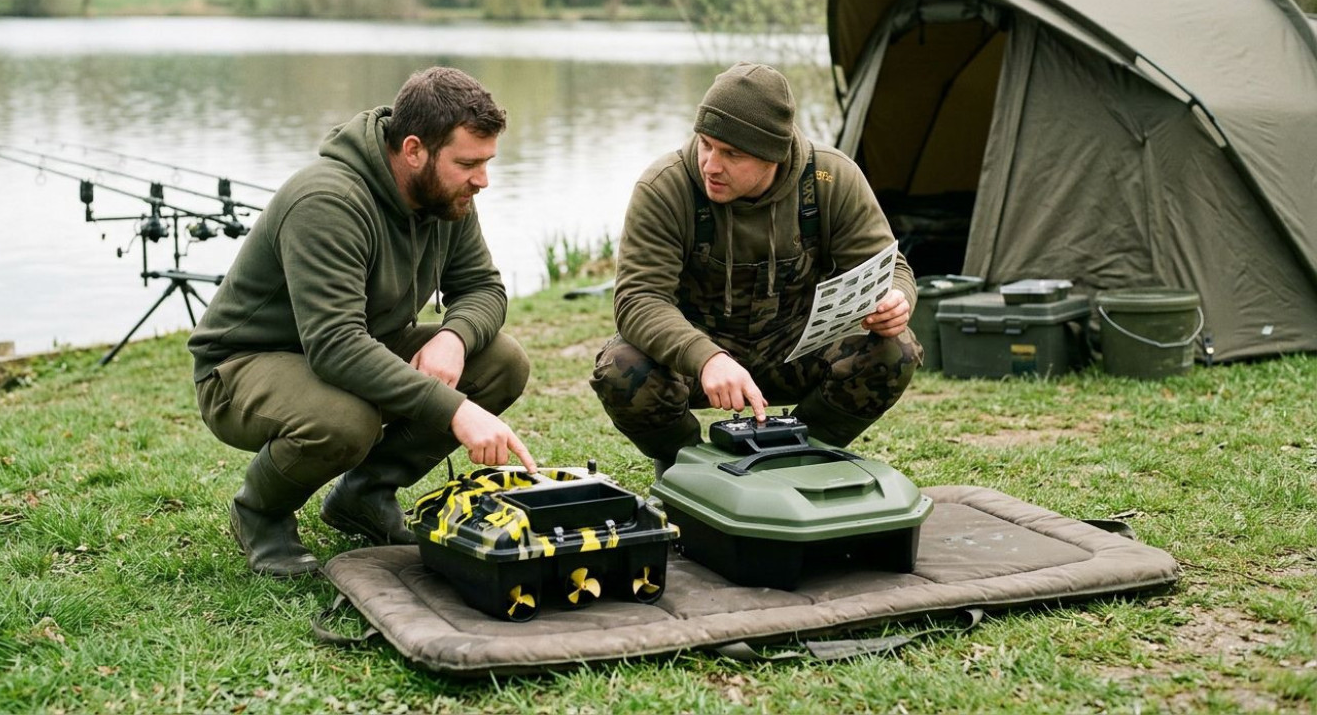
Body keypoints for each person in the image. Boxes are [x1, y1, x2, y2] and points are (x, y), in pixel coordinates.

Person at [189, 66, 535, 578]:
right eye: (468, 163)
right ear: (414, 149)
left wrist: (454, 338)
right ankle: (259, 512)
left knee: (501, 361)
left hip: (356, 343)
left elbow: (483, 288)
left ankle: (365, 495)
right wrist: (456, 411)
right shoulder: (327, 200)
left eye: (486, 162)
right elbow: (335, 345)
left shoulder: (448, 195)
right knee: (346, 421)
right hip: (243, 366)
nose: (482, 180)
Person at [590, 62, 921, 476]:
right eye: (706, 144)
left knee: (895, 348)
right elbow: (639, 300)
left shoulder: (830, 178)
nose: (711, 164)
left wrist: (896, 300)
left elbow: (890, 266)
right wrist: (707, 357)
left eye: (733, 154)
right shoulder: (665, 187)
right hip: (696, 356)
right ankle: (688, 466)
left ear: (775, 156)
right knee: (621, 368)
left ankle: (803, 454)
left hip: (794, 348)